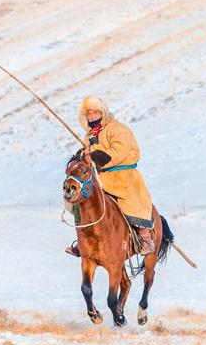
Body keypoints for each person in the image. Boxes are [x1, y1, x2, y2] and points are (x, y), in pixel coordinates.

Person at [65, 95, 155, 257]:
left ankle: (144, 235)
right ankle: (83, 238)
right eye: (89, 114)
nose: (92, 117)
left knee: (130, 200)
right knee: (81, 198)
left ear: (103, 113)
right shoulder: (89, 135)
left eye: (95, 113)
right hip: (100, 177)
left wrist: (96, 157)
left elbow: (120, 152)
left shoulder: (118, 129)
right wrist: (82, 156)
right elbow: (89, 155)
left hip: (123, 174)